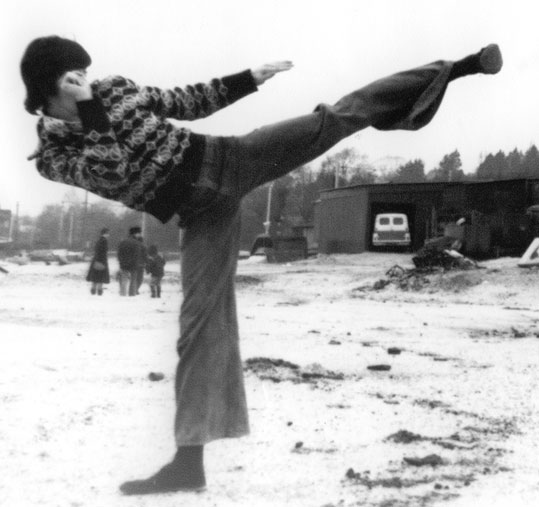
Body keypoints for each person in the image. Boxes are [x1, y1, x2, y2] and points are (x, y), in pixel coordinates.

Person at [21, 35, 503, 495]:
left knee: (335, 118)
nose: (87, 80)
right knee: (198, 325)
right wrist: (90, 110)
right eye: (73, 77)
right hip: (202, 214)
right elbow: (112, 170)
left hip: (232, 157)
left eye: (86, 71)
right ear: (47, 91)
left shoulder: (116, 90)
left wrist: (247, 78)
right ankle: (188, 465)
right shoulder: (53, 156)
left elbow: (188, 100)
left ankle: (457, 68)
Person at [117, 226, 144, 296]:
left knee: (124, 280)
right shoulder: (136, 243)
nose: (140, 235)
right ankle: (132, 294)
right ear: (135, 233)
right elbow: (137, 255)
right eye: (139, 233)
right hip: (133, 264)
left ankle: (122, 294)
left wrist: (121, 262)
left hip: (123, 264)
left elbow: (119, 253)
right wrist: (136, 262)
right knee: (133, 280)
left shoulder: (123, 242)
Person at [86, 227, 110, 295]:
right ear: (105, 233)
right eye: (108, 233)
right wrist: (103, 262)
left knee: (95, 276)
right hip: (101, 260)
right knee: (101, 277)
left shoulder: (99, 240)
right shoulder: (104, 241)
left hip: (96, 260)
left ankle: (93, 289)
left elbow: (97, 251)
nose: (109, 235)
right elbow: (103, 252)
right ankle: (99, 290)